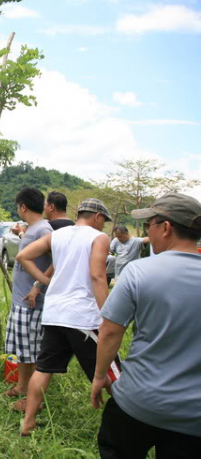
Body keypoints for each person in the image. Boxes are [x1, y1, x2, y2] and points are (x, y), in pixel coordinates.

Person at [91, 193, 201, 458]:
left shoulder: (139, 271)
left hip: (138, 402)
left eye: (149, 225)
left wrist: (99, 375)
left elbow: (110, 330)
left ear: (165, 227)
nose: (147, 232)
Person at [16, 198, 115, 436]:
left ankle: (27, 423)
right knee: (111, 372)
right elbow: (98, 277)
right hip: (82, 317)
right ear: (98, 217)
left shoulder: (57, 235)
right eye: (104, 221)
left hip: (54, 313)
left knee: (43, 369)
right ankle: (131, 420)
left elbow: (23, 256)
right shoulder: (98, 237)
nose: (103, 226)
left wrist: (48, 281)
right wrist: (109, 314)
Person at [3, 188, 53, 411]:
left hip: (32, 304)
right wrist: (22, 233)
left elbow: (57, 260)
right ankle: (22, 387)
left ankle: (33, 400)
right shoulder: (34, 229)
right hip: (21, 302)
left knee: (32, 352)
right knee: (23, 351)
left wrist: (37, 285)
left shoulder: (44, 229)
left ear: (23, 206)